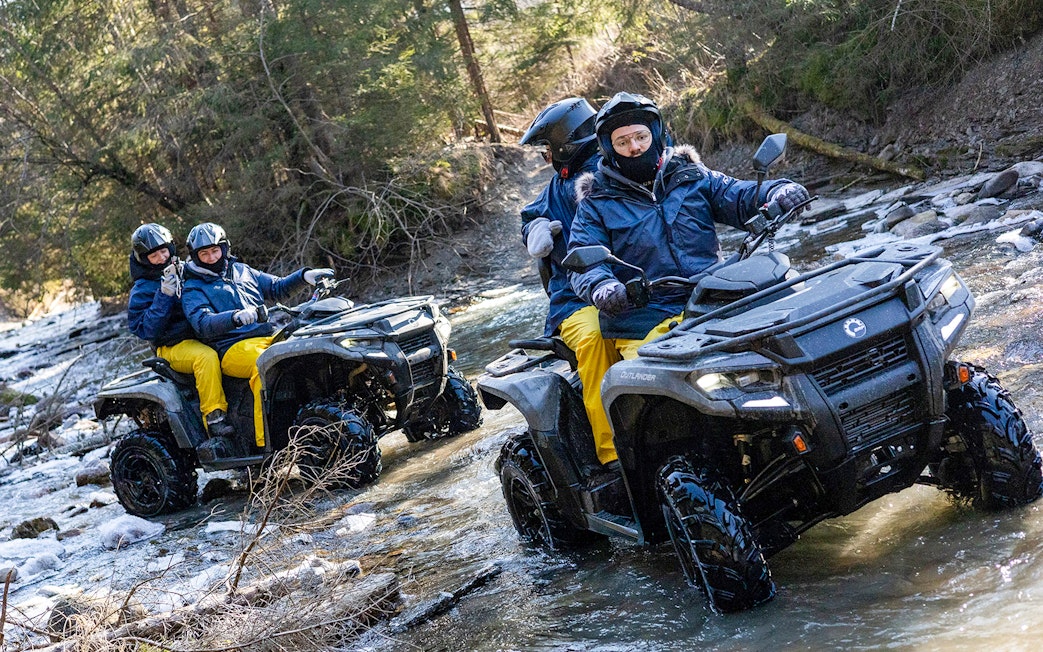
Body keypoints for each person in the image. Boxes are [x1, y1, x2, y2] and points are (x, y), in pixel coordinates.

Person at [568, 92, 810, 465]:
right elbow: (584, 262)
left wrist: (779, 191)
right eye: (623, 142)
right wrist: (603, 287)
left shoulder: (691, 176)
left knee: (792, 336)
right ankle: (659, 470)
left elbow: (742, 194)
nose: (634, 147)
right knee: (655, 397)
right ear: (608, 148)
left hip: (716, 301)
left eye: (640, 137)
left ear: (656, 134)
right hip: (646, 316)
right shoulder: (596, 202)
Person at [518, 97, 623, 469]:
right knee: (596, 338)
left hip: (634, 285)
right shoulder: (560, 185)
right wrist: (534, 227)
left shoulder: (617, 168)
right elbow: (529, 213)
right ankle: (612, 455)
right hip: (574, 301)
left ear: (566, 142)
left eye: (547, 149)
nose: (546, 157)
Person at [179, 222, 334, 452]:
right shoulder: (192, 288)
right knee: (265, 366)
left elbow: (277, 288)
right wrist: (236, 317)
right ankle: (267, 446)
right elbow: (202, 323)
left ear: (224, 248)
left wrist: (306, 276)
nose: (211, 257)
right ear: (195, 256)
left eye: (215, 250)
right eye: (204, 253)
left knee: (308, 353)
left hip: (267, 336)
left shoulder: (243, 271)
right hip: (231, 348)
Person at [126, 223, 236, 445]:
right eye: (153, 255)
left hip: (205, 333)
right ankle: (214, 418)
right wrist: (164, 294)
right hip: (172, 346)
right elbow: (145, 329)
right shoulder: (142, 290)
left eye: (163, 251)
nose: (160, 258)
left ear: (171, 248)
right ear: (142, 258)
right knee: (205, 358)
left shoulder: (187, 270)